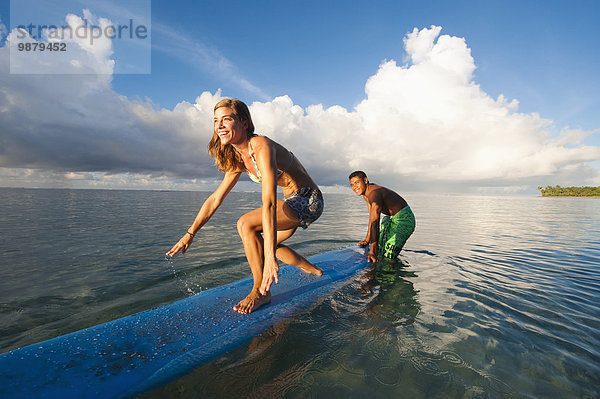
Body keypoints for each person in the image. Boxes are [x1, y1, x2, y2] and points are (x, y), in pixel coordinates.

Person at [166, 98, 324, 314]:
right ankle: (314, 271)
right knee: (264, 246)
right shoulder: (238, 158)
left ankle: (260, 292)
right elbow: (215, 198)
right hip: (290, 203)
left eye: (226, 119)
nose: (219, 125)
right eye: (215, 121)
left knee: (245, 225)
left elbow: (268, 202)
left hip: (308, 200)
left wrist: (268, 259)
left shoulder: (261, 146)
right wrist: (190, 232)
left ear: (244, 123)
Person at [348, 171, 415, 262]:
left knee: (388, 255)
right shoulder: (366, 195)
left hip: (404, 219)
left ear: (365, 180)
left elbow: (375, 223)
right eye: (352, 184)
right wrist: (367, 240)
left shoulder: (374, 194)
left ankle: (389, 273)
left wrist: (372, 252)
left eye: (356, 183)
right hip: (390, 218)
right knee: (380, 246)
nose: (354, 187)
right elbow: (372, 219)